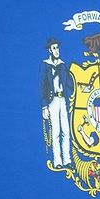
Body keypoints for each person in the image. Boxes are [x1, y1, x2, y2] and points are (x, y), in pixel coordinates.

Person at [39, 38, 72, 169]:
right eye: (54, 48)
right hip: (52, 101)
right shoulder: (45, 65)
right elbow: (41, 85)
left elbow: (70, 83)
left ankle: (67, 160)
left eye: (57, 48)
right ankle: (57, 160)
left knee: (66, 131)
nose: (56, 50)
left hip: (63, 100)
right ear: (49, 50)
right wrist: (44, 106)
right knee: (56, 131)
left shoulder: (63, 65)